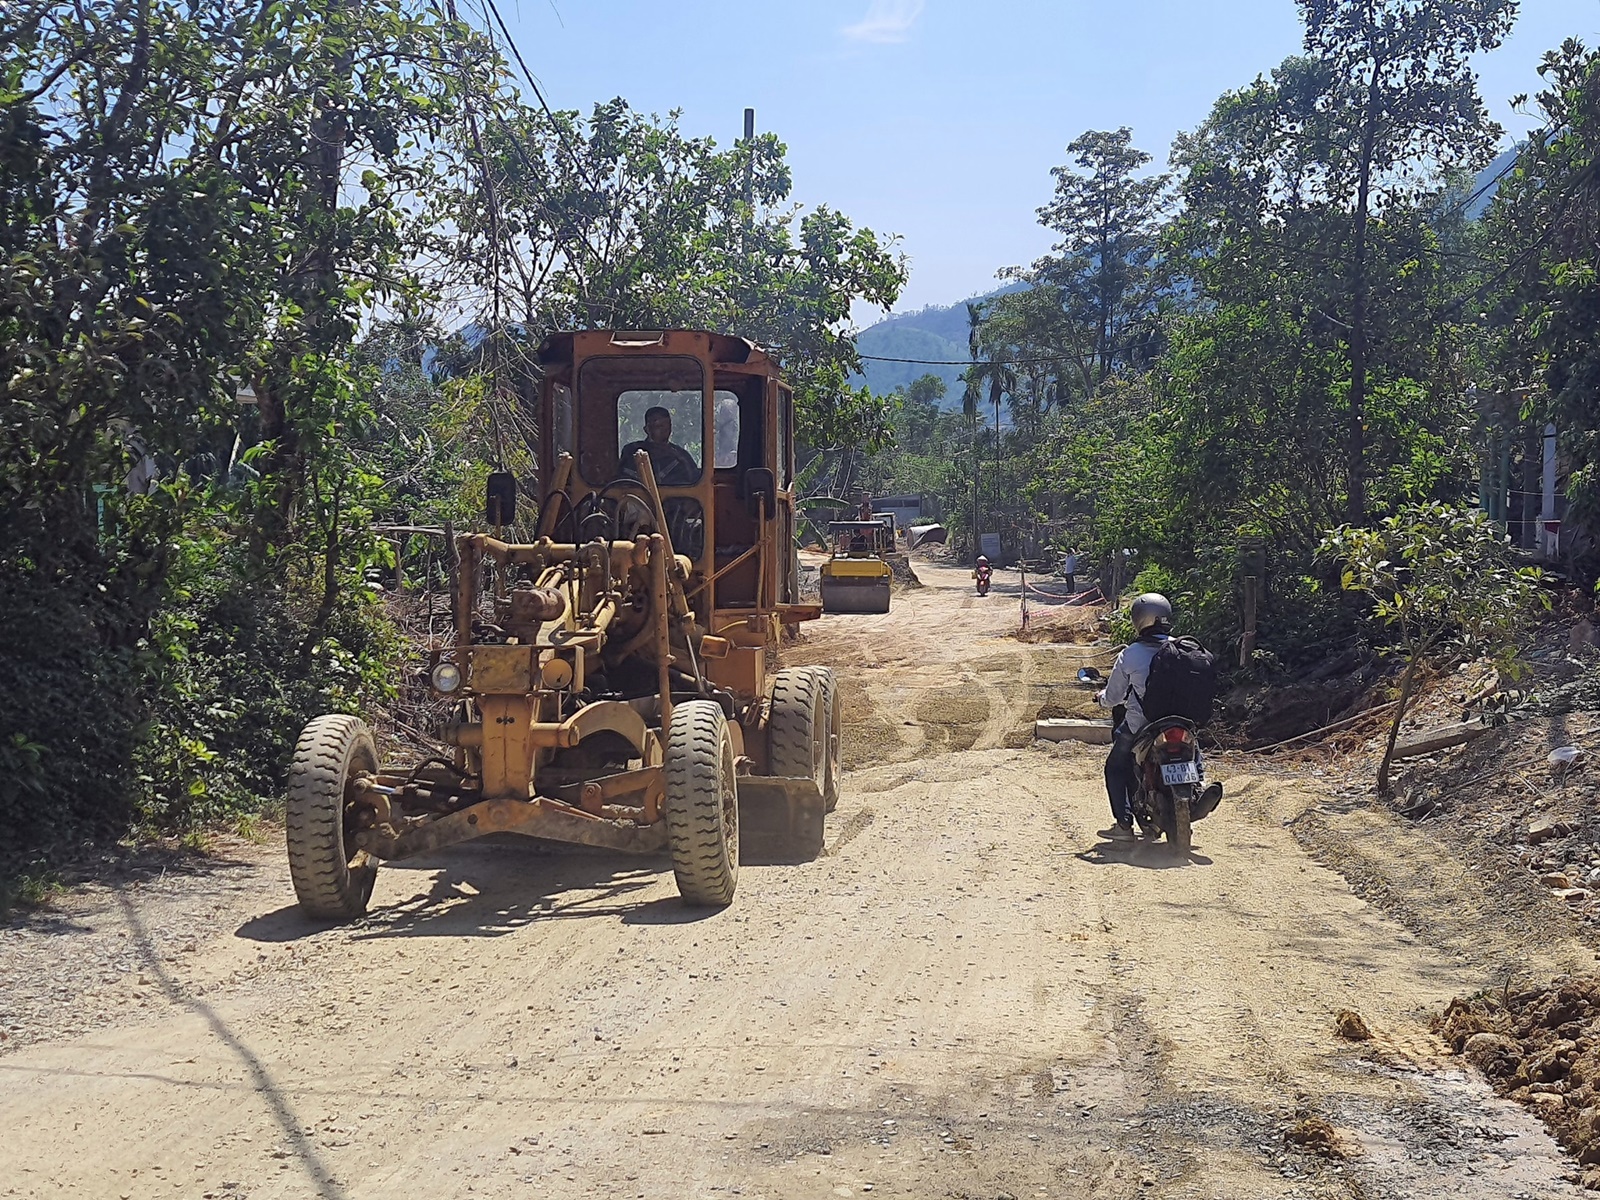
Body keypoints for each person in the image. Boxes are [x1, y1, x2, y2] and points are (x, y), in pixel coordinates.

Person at [1094, 592, 1173, 841]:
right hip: (1180, 720)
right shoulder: (1181, 646)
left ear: (1139, 620)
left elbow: (1114, 697)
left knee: (1115, 767)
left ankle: (1124, 825)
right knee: (1193, 748)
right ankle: (1198, 784)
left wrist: (1101, 699)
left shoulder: (1130, 654)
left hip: (1142, 724)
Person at [621, 406, 698, 487]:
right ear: (646, 429)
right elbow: (621, 480)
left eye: (667, 426)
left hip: (675, 498)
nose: (664, 431)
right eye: (658, 426)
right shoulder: (631, 451)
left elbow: (695, 480)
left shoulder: (681, 454)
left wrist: (681, 460)